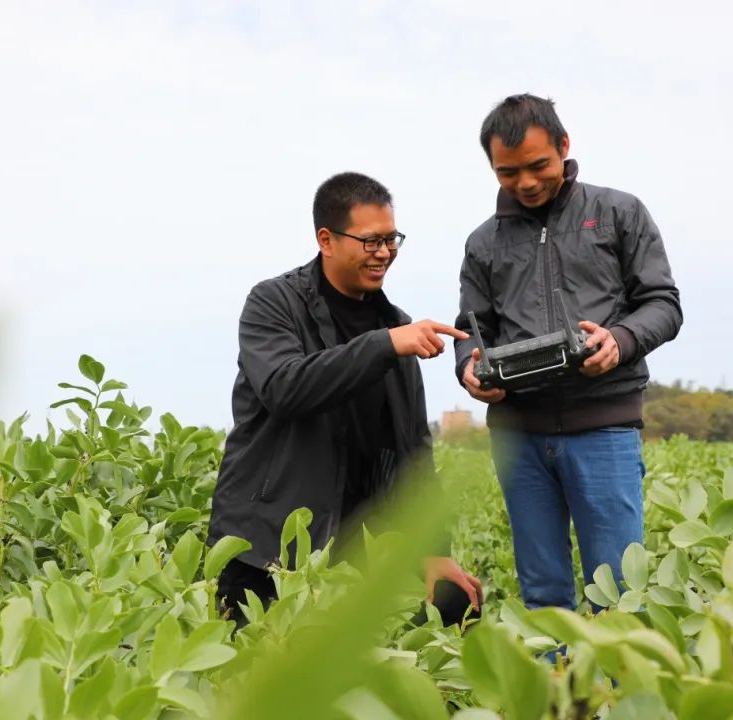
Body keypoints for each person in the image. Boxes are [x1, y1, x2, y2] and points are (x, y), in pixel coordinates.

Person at [208, 171, 482, 627]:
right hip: (265, 545)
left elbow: (414, 450)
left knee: (455, 605)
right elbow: (285, 387)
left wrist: (433, 551)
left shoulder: (396, 325)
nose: (385, 254)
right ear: (326, 240)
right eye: (371, 242)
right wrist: (385, 345)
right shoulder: (274, 304)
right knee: (249, 681)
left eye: (392, 240)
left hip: (355, 551)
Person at [454, 94, 682, 611]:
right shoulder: (482, 243)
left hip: (602, 427)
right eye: (508, 172)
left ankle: (622, 691)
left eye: (539, 166)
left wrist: (618, 342)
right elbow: (473, 328)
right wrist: (470, 369)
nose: (527, 183)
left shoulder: (618, 213)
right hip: (519, 436)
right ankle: (555, 692)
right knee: (543, 592)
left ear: (563, 146)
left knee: (621, 591)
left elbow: (662, 303)